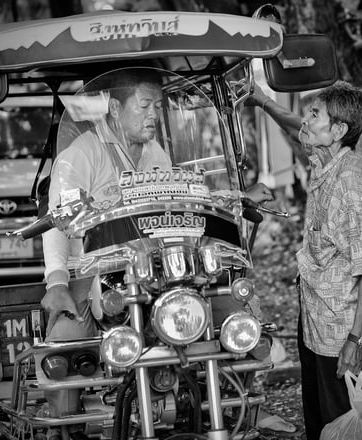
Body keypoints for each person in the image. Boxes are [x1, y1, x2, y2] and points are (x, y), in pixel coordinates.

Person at [42, 68, 275, 440]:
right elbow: (57, 221)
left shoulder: (155, 152)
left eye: (158, 106)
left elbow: (176, 206)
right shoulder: (80, 155)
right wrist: (56, 282)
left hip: (160, 273)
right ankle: (65, 431)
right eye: (145, 105)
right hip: (99, 275)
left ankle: (236, 410)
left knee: (235, 318)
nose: (154, 114)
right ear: (115, 109)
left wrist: (232, 202)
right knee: (67, 340)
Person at [248, 81, 362, 439]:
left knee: (345, 417)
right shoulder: (325, 157)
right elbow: (294, 125)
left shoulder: (350, 180)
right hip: (314, 317)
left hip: (339, 331)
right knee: (322, 420)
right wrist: (262, 100)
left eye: (315, 115)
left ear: (338, 130)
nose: (305, 122)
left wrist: (356, 342)